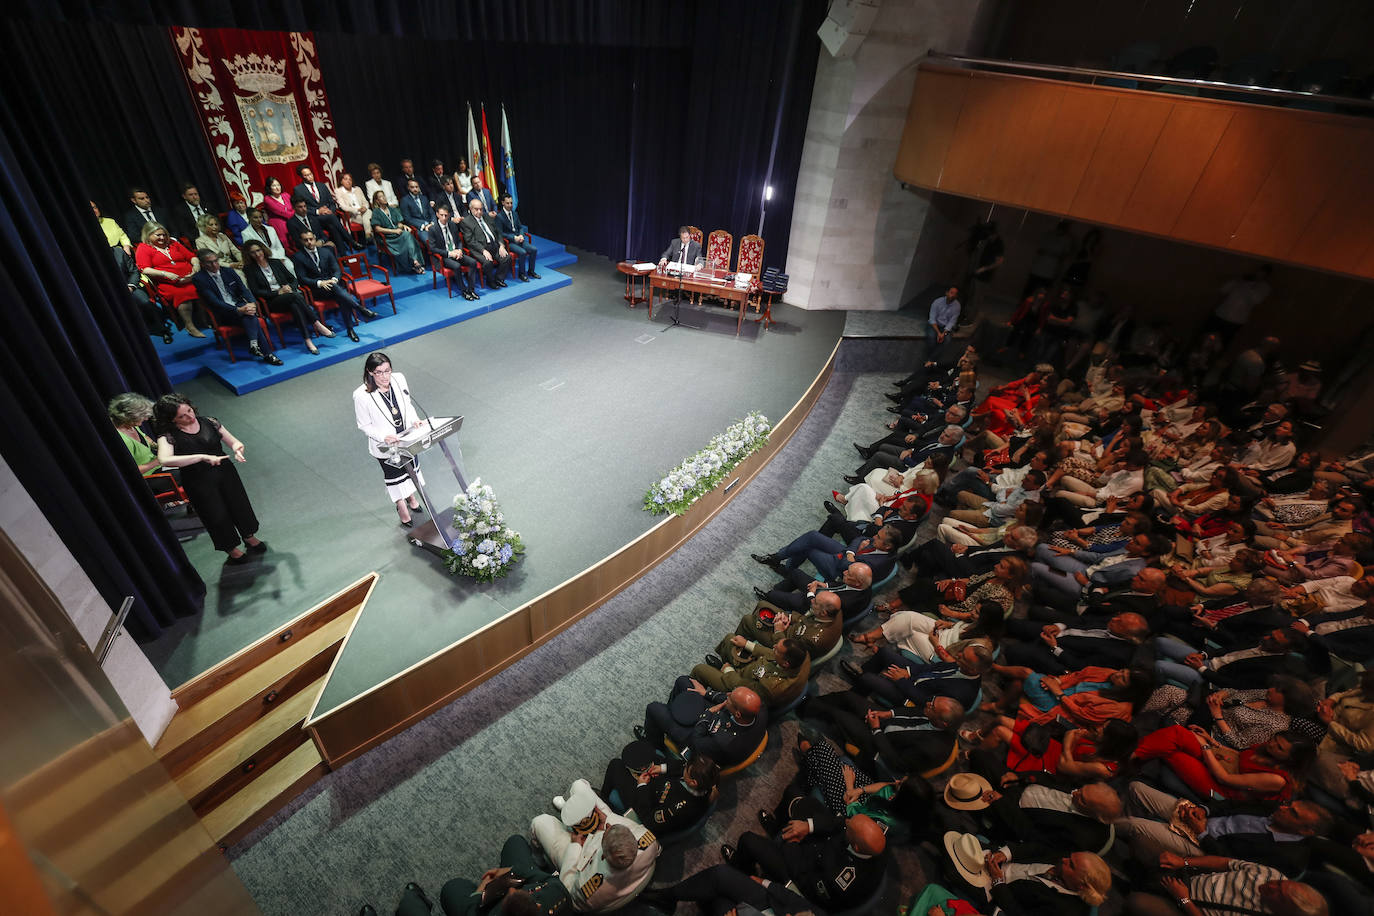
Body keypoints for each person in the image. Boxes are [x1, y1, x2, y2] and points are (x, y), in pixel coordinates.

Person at [154, 393, 267, 564]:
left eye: (190, 410)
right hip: (198, 480)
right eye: (182, 416)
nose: (190, 417)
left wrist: (237, 449)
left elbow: (234, 442)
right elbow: (165, 460)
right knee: (215, 514)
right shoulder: (168, 436)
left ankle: (249, 536)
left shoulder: (209, 422)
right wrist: (201, 457)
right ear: (172, 420)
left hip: (225, 473)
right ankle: (231, 548)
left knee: (239, 505)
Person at [530, 779, 660, 912]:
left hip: (582, 857)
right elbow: (631, 828)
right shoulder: (649, 842)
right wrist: (608, 819)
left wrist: (575, 846)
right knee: (579, 785)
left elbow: (567, 889)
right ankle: (573, 810)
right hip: (624, 861)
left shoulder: (588, 887)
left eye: (607, 829)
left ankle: (538, 860)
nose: (608, 826)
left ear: (603, 855)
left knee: (540, 822)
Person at [722, 812, 888, 910]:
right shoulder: (877, 839)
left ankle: (742, 868)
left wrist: (791, 846)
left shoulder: (840, 881)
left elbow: (805, 881)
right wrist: (809, 826)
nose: (848, 821)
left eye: (850, 826)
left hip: (804, 885)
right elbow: (843, 821)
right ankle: (778, 833)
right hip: (822, 856)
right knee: (800, 809)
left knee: (748, 840)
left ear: (857, 848)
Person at [389, 834, 571, 916]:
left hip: (481, 909)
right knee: (515, 842)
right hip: (525, 880)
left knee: (451, 889)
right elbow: (546, 879)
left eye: (510, 896)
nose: (511, 891)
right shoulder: (557, 896)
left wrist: (488, 890)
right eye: (516, 893)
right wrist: (505, 875)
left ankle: (413, 899)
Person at [352, 352, 427, 527]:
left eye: (387, 370)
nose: (385, 376)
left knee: (411, 470)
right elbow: (364, 425)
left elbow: (407, 404)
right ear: (370, 372)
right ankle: (401, 506)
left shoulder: (399, 379)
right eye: (379, 372)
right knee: (395, 476)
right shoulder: (361, 395)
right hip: (385, 446)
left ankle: (411, 497)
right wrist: (383, 437)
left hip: (407, 438)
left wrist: (414, 420)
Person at [638, 680, 767, 766]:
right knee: (683, 682)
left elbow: (697, 741)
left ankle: (653, 745)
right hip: (720, 716)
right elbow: (729, 699)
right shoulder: (759, 708)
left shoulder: (724, 742)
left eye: (730, 698)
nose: (726, 695)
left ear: (738, 714)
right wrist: (706, 693)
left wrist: (708, 713)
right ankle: (671, 714)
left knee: (653, 709)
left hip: (697, 739)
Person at [598, 742, 719, 832]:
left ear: (693, 782)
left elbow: (648, 819)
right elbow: (681, 766)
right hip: (663, 786)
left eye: (687, 769)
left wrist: (642, 785)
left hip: (645, 803)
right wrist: (661, 768)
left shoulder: (676, 810)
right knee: (649, 755)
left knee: (616, 765)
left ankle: (602, 799)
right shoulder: (707, 779)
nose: (685, 767)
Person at [191, 248, 282, 364]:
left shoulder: (228, 271)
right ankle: (265, 352)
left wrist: (252, 303)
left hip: (240, 306)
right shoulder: (199, 279)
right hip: (224, 313)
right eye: (210, 262)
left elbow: (244, 290)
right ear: (203, 264)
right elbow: (214, 301)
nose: (214, 265)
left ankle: (257, 347)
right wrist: (237, 309)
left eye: (216, 261)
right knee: (250, 316)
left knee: (249, 314)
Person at [242, 240, 331, 356]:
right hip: (271, 302)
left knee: (295, 305)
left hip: (289, 298)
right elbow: (256, 291)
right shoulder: (250, 269)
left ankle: (308, 340)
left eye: (258, 250)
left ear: (263, 249)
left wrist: (290, 287)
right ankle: (317, 323)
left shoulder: (275, 262)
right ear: (249, 255)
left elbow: (293, 279)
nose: (257, 254)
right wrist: (278, 292)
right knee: (295, 296)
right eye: (253, 252)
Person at [292, 230, 374, 342]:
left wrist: (333, 280)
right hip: (317, 291)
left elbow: (337, 269)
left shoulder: (326, 251)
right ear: (301, 241)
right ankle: (360, 309)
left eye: (311, 239)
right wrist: (321, 283)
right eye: (306, 240)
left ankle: (350, 329)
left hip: (333, 287)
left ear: (315, 238)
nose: (309, 242)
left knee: (340, 295)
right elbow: (302, 278)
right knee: (340, 292)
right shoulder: (298, 257)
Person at [690, 637, 810, 709]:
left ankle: (690, 698)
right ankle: (722, 667)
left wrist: (728, 670)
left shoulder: (771, 687)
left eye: (777, 650)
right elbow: (772, 653)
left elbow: (740, 685)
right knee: (730, 639)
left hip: (742, 689)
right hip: (756, 671)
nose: (773, 647)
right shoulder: (802, 655)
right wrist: (747, 644)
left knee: (700, 669)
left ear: (785, 664)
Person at [135, 222, 206, 338]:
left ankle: (206, 320)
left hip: (190, 277)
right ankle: (190, 325)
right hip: (168, 283)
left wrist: (196, 265)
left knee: (204, 287)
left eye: (164, 235)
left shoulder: (173, 243)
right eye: (158, 235)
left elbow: (191, 256)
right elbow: (145, 269)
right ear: (148, 235)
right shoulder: (144, 248)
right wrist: (165, 274)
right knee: (183, 293)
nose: (162, 238)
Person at [113, 244, 173, 343]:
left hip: (129, 286)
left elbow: (134, 271)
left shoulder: (118, 252)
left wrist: (131, 286)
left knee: (145, 302)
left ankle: (163, 330)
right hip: (110, 292)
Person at [291, 165, 357, 251]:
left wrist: (330, 211)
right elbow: (302, 208)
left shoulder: (322, 186)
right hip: (314, 219)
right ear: (301, 177)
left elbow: (332, 203)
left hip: (328, 217)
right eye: (306, 175)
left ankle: (343, 254)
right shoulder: (298, 190)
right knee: (332, 218)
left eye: (310, 174)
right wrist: (318, 211)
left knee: (332, 227)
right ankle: (351, 241)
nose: (310, 177)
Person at [1205, 264, 1272, 345]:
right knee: (1204, 337)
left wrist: (1251, 285)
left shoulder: (1264, 287)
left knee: (1221, 343)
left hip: (1236, 320)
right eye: (1258, 272)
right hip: (1220, 313)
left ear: (1266, 276)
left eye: (1262, 274)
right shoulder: (1241, 280)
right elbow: (1223, 290)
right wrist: (1238, 280)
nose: (1259, 275)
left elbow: (1256, 300)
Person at [427, 205, 479, 301]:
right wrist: (449, 253)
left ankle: (471, 289)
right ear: (437, 214)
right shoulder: (433, 229)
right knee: (456, 266)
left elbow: (459, 241)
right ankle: (464, 291)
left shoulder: (452, 225)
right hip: (444, 257)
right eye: (441, 215)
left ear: (449, 215)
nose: (444, 218)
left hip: (456, 253)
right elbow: (432, 248)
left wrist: (459, 250)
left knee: (473, 262)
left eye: (446, 215)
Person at [461, 196, 513, 289]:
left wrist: (501, 245)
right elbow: (470, 241)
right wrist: (483, 250)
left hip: (494, 246)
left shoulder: (487, 217)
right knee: (488, 262)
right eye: (476, 209)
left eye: (481, 209)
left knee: (507, 257)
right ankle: (490, 281)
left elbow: (498, 232)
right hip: (479, 249)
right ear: (471, 209)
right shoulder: (466, 222)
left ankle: (498, 279)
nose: (479, 212)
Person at [369, 191, 425, 275]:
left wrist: (401, 226)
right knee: (407, 237)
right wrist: (393, 231)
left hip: (397, 234)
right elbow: (377, 229)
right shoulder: (376, 212)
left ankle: (415, 261)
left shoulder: (392, 209)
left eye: (384, 195)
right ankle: (415, 264)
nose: (384, 198)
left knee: (408, 235)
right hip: (387, 238)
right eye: (381, 197)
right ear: (377, 201)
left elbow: (399, 222)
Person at [109, 392, 164, 476]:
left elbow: (145, 438)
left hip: (159, 468)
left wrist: (160, 447)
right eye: (142, 416)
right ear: (129, 417)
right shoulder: (122, 439)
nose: (146, 419)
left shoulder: (131, 425)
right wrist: (158, 461)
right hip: (149, 476)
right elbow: (130, 471)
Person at [195, 214, 247, 286]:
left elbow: (235, 251)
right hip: (216, 268)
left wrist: (242, 260)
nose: (215, 227)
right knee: (239, 275)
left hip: (233, 265)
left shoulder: (223, 236)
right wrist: (230, 265)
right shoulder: (200, 241)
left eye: (216, 224)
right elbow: (208, 260)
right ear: (204, 227)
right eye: (211, 225)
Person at [497, 192, 540, 281]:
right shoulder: (499, 217)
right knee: (522, 252)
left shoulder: (515, 213)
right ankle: (522, 274)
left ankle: (531, 271)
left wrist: (521, 234)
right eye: (508, 203)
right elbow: (500, 233)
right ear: (503, 203)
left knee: (534, 250)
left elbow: (520, 227)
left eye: (511, 203)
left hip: (519, 239)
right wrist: (513, 237)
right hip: (510, 242)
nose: (510, 205)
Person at [239, 208, 294, 275]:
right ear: (249, 218)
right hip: (262, 260)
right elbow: (251, 252)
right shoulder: (246, 233)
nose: (259, 220)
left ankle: (295, 285)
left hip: (278, 256)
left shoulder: (270, 229)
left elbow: (279, 246)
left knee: (290, 266)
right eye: (255, 218)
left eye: (260, 217)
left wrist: (281, 258)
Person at [259, 177, 296, 249]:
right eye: (274, 186)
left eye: (278, 185)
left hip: (292, 219)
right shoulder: (267, 199)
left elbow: (295, 206)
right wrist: (295, 213)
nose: (277, 188)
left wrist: (295, 212)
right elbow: (283, 213)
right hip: (278, 223)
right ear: (269, 188)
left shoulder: (286, 195)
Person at [333, 171, 371, 239]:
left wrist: (365, 207)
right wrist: (357, 210)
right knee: (371, 219)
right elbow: (343, 206)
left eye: (350, 179)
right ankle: (371, 237)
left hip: (364, 212)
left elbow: (365, 202)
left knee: (368, 213)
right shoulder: (339, 191)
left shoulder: (357, 189)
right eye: (345, 179)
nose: (348, 181)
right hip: (353, 215)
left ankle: (368, 234)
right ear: (341, 181)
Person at [928, 285, 961, 359]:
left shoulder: (957, 306)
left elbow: (952, 322)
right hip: (935, 325)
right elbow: (932, 318)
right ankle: (930, 358)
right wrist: (938, 333)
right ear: (946, 293)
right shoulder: (937, 302)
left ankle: (931, 359)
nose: (953, 295)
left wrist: (943, 333)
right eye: (951, 293)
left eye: (955, 294)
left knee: (947, 341)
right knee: (931, 337)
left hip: (945, 328)